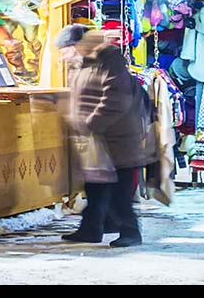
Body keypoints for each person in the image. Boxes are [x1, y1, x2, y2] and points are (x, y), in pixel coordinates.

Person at [56, 23, 159, 247]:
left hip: (116, 139)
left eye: (64, 50)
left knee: (118, 192)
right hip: (100, 139)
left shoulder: (108, 61)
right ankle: (91, 229)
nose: (62, 56)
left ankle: (130, 233)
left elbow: (116, 99)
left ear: (76, 46)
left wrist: (91, 123)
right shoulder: (87, 63)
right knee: (95, 188)